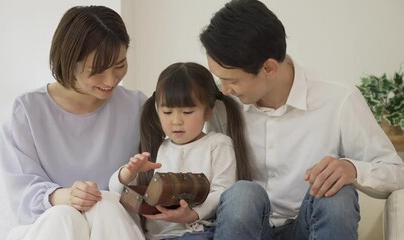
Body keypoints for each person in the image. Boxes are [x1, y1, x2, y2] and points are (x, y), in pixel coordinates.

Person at [199, 0, 404, 239]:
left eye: (232, 80)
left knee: (336, 194)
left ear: (268, 69)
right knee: (242, 195)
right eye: (219, 78)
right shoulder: (222, 105)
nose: (223, 89)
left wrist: (353, 168)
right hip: (249, 228)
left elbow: (396, 172)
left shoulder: (338, 99)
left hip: (309, 228)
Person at [0, 6, 147, 240]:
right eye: (97, 70)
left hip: (113, 223)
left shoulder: (137, 106)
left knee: (106, 205)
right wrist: (66, 197)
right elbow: (22, 191)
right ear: (69, 62)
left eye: (119, 65)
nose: (111, 80)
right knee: (65, 216)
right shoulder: (27, 111)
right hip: (52, 225)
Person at [110, 62, 251, 240]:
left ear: (207, 112)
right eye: (167, 112)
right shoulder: (158, 148)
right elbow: (115, 190)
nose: (176, 121)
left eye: (187, 112)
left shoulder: (218, 144)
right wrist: (128, 172)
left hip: (199, 232)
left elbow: (223, 193)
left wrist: (192, 214)